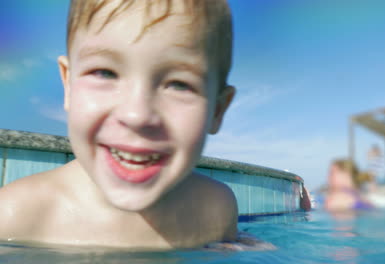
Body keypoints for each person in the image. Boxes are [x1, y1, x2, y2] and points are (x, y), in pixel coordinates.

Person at [0, 0, 238, 249]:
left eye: (179, 84)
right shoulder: (14, 215)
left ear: (217, 110)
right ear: (68, 86)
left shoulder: (216, 210)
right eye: (105, 73)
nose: (137, 115)